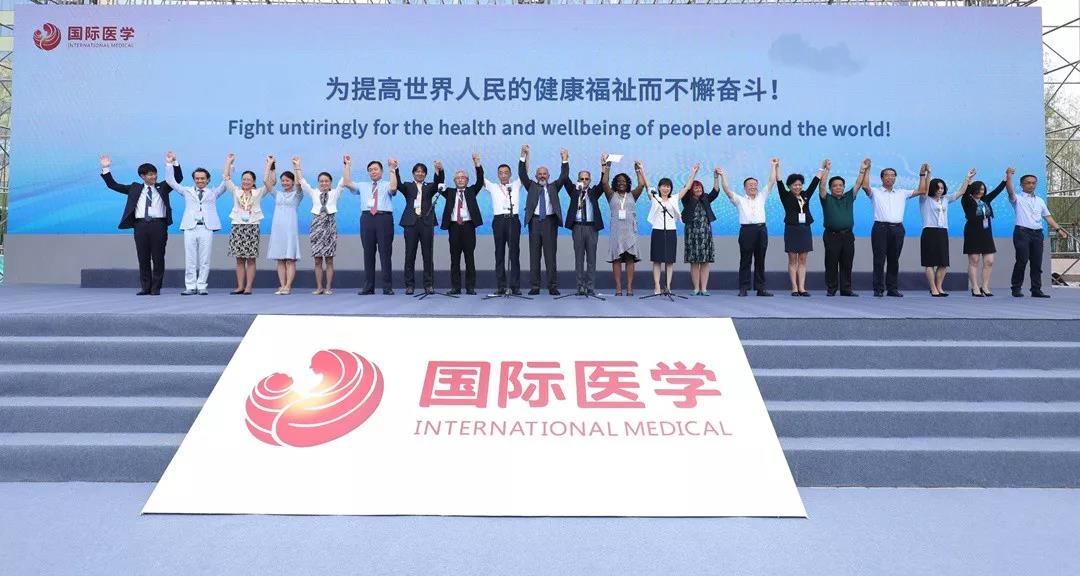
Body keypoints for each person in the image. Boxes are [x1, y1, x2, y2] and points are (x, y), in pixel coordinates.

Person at [99, 155, 183, 295]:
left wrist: (174, 162)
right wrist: (106, 168)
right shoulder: (134, 188)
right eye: (150, 174)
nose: (153, 176)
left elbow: (178, 179)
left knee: (158, 257)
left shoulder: (163, 186)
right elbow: (113, 185)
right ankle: (145, 287)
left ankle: (156, 288)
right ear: (142, 176)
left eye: (155, 174)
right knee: (143, 257)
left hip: (159, 225)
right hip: (140, 225)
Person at [164, 151, 226, 296]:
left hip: (206, 228)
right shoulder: (187, 191)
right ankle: (190, 286)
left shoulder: (213, 192)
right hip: (190, 228)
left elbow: (225, 182)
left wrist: (229, 164)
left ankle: (202, 285)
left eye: (202, 178)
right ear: (193, 179)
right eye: (197, 178)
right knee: (190, 259)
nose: (200, 181)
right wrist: (170, 163)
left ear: (208, 179)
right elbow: (170, 181)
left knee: (205, 259)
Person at [861, 164, 926, 297]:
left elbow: (922, 190)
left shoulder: (902, 193)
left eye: (892, 175)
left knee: (894, 259)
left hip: (897, 229)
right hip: (880, 228)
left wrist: (922, 174)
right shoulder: (876, 192)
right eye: (887, 175)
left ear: (895, 178)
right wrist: (867, 170)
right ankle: (878, 289)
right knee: (879, 259)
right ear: (882, 178)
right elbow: (865, 186)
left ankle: (892, 288)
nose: (890, 177)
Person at [720, 160, 777, 297]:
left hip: (761, 230)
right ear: (745, 188)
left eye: (755, 185)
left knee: (760, 259)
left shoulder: (762, 196)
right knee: (745, 260)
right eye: (750, 185)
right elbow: (727, 190)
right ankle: (743, 288)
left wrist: (773, 166)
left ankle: (760, 288)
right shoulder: (740, 200)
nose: (753, 187)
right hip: (747, 231)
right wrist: (722, 175)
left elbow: (771, 182)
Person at [1007, 172, 1069, 298]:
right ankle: (1016, 288)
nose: (1031, 185)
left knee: (1036, 263)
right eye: (1028, 183)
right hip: (1022, 233)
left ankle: (1036, 289)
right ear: (1022, 185)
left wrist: (1059, 230)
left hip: (1037, 234)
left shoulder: (1040, 200)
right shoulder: (1017, 198)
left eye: (1033, 183)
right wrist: (1009, 176)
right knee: (1022, 260)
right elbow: (1010, 190)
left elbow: (1048, 217)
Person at [295, 155, 349, 295]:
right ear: (318, 182)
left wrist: (346, 164)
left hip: (330, 226)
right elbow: (302, 182)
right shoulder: (314, 193)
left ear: (330, 182)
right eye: (321, 181)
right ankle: (319, 287)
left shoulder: (335, 193)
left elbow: (344, 180)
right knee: (317, 260)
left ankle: (328, 287)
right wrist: (297, 166)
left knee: (329, 260)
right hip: (316, 227)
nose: (324, 183)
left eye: (326, 181)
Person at [519, 144, 570, 296]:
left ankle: (552, 286)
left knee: (550, 256)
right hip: (534, 223)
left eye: (544, 174)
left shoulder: (554, 186)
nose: (542, 176)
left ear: (548, 176)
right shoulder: (531, 186)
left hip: (550, 223)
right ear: (536, 176)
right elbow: (522, 174)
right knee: (534, 256)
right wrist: (523, 156)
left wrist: (564, 160)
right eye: (539, 174)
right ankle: (535, 286)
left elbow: (564, 176)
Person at [345, 159, 398, 295]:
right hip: (367, 218)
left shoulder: (387, 184)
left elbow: (393, 188)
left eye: (375, 169)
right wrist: (347, 165)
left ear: (381, 171)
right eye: (370, 170)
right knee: (368, 253)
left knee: (385, 253)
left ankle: (387, 287)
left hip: (384, 218)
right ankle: (368, 287)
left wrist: (392, 169)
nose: (373, 172)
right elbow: (347, 183)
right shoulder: (363, 185)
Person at [223, 154, 274, 295]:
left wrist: (269, 165)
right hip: (238, 226)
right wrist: (228, 162)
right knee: (239, 259)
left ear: (253, 182)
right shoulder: (236, 191)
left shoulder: (259, 192)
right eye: (244, 179)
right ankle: (240, 286)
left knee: (251, 259)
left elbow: (270, 181)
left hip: (252, 227)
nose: (246, 181)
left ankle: (249, 286)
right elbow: (226, 178)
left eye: (249, 179)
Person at [916, 164, 969, 297]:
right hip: (929, 232)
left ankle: (939, 287)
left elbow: (960, 192)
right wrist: (928, 174)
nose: (940, 190)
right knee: (929, 262)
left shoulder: (945, 199)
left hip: (942, 232)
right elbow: (925, 188)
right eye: (937, 188)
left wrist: (967, 178)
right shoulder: (925, 199)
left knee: (943, 262)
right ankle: (933, 288)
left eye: (942, 188)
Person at [818, 159, 867, 297]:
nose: (838, 187)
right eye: (835, 186)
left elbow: (858, 184)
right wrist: (826, 170)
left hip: (847, 236)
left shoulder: (849, 197)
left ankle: (846, 289)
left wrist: (862, 170)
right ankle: (831, 289)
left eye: (840, 185)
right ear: (830, 188)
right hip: (832, 235)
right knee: (831, 263)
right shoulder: (826, 198)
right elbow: (821, 186)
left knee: (847, 263)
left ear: (844, 187)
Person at [395, 160, 444, 295]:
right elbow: (398, 184)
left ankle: (429, 285)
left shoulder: (430, 187)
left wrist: (439, 170)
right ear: (413, 173)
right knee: (409, 255)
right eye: (417, 171)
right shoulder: (407, 186)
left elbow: (439, 182)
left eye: (422, 172)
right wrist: (396, 168)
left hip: (426, 223)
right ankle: (409, 285)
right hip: (410, 223)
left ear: (425, 174)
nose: (420, 173)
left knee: (428, 255)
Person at [438, 154, 485, 295]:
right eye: (457, 178)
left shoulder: (471, 191)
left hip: (468, 227)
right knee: (455, 258)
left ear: (467, 180)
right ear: (454, 181)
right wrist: (440, 170)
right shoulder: (449, 192)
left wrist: (477, 164)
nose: (460, 179)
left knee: (469, 258)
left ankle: (470, 287)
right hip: (454, 227)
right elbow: (439, 184)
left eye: (463, 177)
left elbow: (480, 180)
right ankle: (456, 287)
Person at [639, 162, 688, 295]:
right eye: (663, 186)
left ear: (670, 188)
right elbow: (647, 186)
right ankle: (657, 286)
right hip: (657, 231)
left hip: (671, 231)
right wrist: (642, 170)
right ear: (659, 188)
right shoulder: (655, 197)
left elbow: (687, 187)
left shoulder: (674, 199)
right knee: (657, 261)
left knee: (669, 261)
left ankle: (668, 286)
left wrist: (693, 173)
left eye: (668, 186)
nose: (666, 188)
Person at [776, 159, 824, 296]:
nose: (797, 187)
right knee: (792, 259)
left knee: (803, 260)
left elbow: (815, 182)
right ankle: (794, 288)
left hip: (805, 229)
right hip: (792, 229)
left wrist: (822, 168)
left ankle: (802, 288)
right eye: (794, 185)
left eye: (799, 184)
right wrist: (776, 167)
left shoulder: (805, 195)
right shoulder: (785, 196)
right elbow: (779, 182)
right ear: (790, 186)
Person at [563, 154, 607, 296]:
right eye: (581, 179)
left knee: (591, 259)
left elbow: (603, 183)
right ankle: (580, 287)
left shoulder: (594, 192)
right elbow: (565, 178)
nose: (584, 181)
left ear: (590, 180)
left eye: (586, 179)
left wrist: (604, 166)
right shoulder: (573, 191)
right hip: (577, 227)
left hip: (592, 228)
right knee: (579, 259)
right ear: (578, 180)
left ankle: (590, 287)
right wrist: (565, 160)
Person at [961, 169, 1009, 296]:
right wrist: (968, 179)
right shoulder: (967, 200)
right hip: (972, 233)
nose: (981, 192)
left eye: (983, 189)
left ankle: (985, 286)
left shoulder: (986, 200)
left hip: (986, 233)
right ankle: (975, 287)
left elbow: (997, 191)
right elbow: (965, 192)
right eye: (979, 189)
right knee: (974, 260)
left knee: (989, 261)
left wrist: (1006, 179)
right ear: (973, 189)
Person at [601, 162, 645, 296]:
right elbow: (604, 183)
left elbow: (641, 185)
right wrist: (607, 167)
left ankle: (630, 287)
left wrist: (638, 170)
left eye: (624, 181)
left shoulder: (632, 195)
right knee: (617, 259)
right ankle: (618, 287)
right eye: (619, 181)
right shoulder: (611, 195)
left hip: (630, 232)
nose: (621, 183)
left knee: (630, 259)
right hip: (616, 232)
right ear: (615, 183)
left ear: (628, 183)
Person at [482, 160, 524, 296]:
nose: (503, 175)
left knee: (514, 254)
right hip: (499, 221)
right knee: (499, 254)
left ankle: (515, 286)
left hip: (513, 219)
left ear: (510, 174)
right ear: (498, 175)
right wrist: (477, 164)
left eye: (506, 173)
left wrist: (524, 156)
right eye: (501, 173)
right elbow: (480, 178)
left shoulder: (516, 185)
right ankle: (501, 286)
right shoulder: (493, 187)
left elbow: (524, 171)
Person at [682, 167, 721, 295]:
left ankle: (704, 289)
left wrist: (716, 177)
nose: (698, 189)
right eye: (695, 187)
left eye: (700, 187)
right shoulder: (686, 199)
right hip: (691, 234)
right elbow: (686, 188)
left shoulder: (705, 198)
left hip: (705, 234)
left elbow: (715, 191)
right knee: (694, 262)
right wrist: (693, 173)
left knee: (705, 262)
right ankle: (696, 288)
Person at [266, 163, 303, 295]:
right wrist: (270, 166)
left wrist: (296, 167)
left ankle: (288, 286)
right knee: (280, 259)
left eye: (287, 180)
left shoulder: (297, 195)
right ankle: (282, 285)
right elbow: (266, 182)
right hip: (278, 229)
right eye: (282, 180)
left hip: (290, 229)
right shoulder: (278, 194)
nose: (284, 183)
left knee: (289, 259)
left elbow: (299, 184)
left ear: (292, 182)